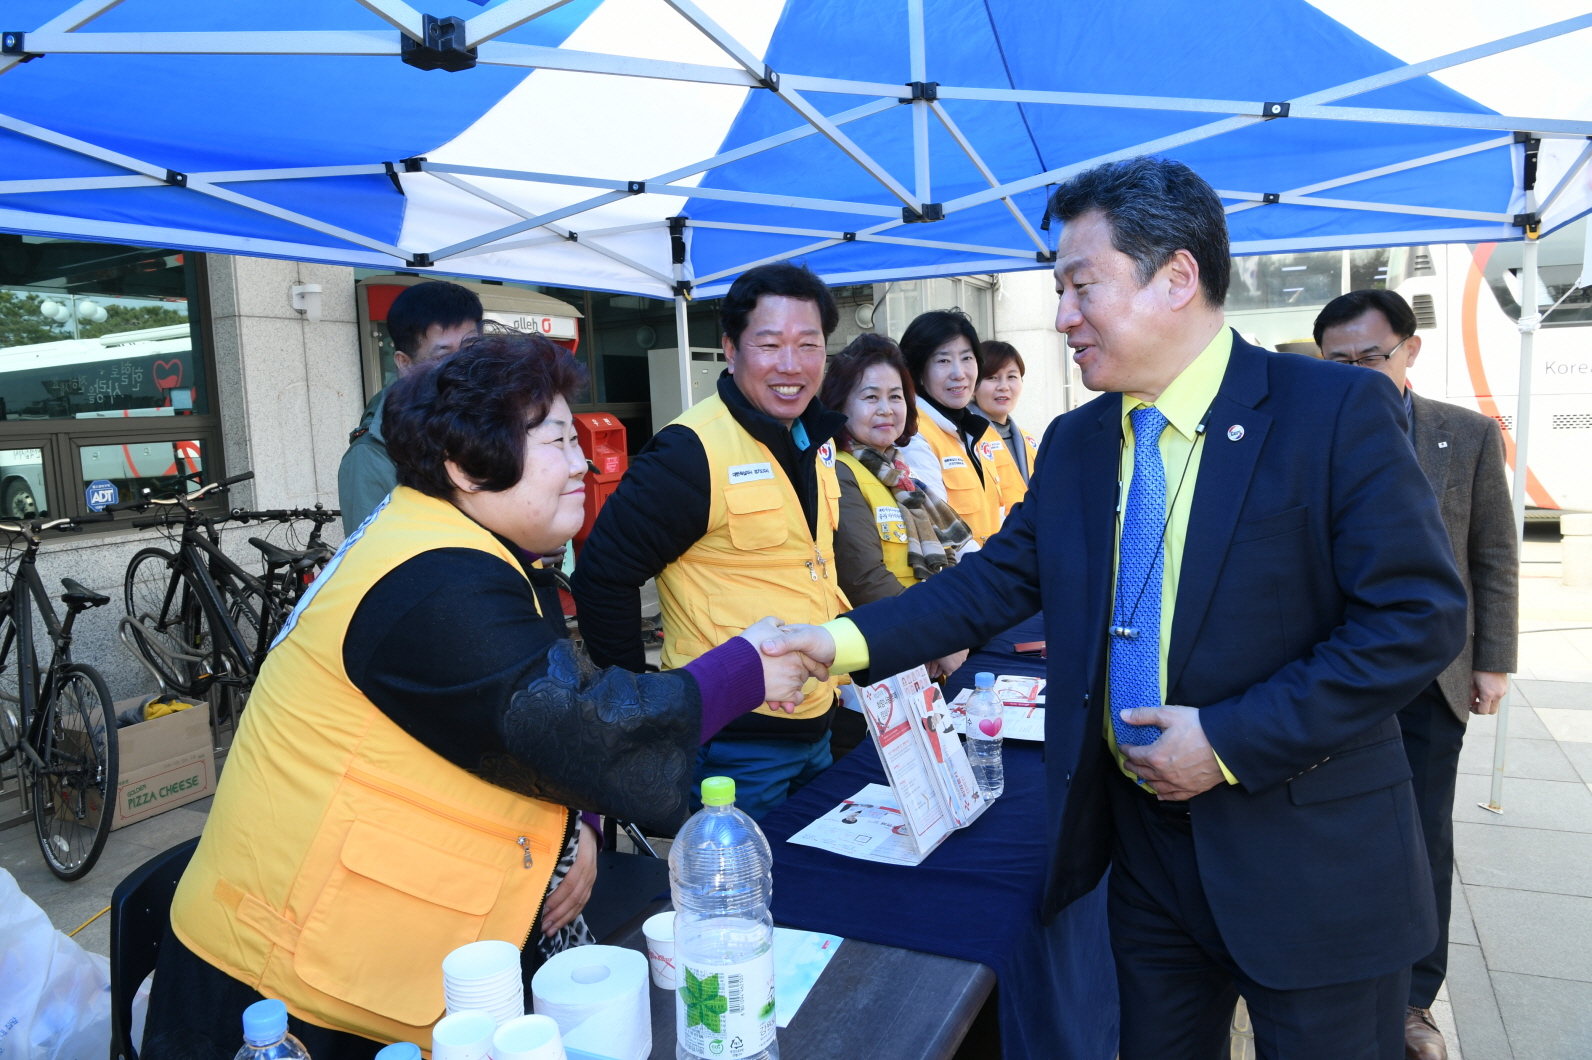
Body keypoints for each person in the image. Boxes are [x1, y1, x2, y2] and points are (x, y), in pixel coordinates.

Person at [764, 157, 1469, 1060]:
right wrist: (831, 642)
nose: (1061, 316)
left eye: (1078, 286)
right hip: (1146, 863)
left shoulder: (1332, 411)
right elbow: (993, 583)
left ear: (1175, 277)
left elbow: (1415, 618)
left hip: (1309, 861)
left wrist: (1226, 741)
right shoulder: (1081, 440)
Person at [144, 335, 824, 1060]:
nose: (583, 462)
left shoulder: (454, 545)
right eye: (558, 440)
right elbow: (579, 729)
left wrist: (579, 827)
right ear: (466, 466)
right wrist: (748, 670)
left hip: (381, 969)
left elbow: (512, 724)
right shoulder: (433, 581)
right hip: (285, 998)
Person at [1315, 288, 1517, 1060]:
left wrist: (1493, 659)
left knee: (1423, 838)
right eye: (1341, 361)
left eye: (1375, 355)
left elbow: (1494, 551)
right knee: (1336, 827)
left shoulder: (1463, 435)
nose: (1360, 371)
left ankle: (1412, 1000)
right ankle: (1335, 972)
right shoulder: (1312, 434)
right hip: (1337, 677)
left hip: (1434, 678)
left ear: (1410, 350)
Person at [570, 262, 849, 820]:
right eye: (769, 345)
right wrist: (637, 709)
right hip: (735, 741)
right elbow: (603, 573)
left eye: (808, 345)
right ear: (730, 347)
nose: (790, 366)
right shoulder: (690, 451)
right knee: (741, 897)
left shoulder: (813, 436)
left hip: (817, 717)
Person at [818, 333, 970, 754]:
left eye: (897, 396)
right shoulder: (842, 472)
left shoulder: (901, 475)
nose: (887, 409)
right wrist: (939, 638)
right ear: (840, 404)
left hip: (924, 653)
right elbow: (864, 579)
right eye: (870, 397)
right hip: (881, 669)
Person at [338, 280, 483, 533]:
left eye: (471, 349)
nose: (464, 366)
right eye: (444, 356)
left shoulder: (492, 419)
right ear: (405, 363)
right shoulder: (373, 454)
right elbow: (377, 559)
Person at [897, 311, 1007, 543]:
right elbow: (944, 535)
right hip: (963, 576)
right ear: (918, 373)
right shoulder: (913, 435)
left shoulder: (975, 431)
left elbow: (997, 515)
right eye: (943, 361)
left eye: (967, 358)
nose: (959, 374)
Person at [975, 339, 1041, 509]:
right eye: (992, 377)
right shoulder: (965, 438)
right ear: (973, 385)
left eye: (1012, 376)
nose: (1003, 387)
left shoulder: (1029, 440)